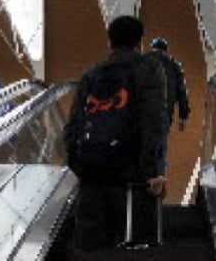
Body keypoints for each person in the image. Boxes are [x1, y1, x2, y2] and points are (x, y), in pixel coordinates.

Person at [64, 16, 166, 254]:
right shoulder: (149, 69)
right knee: (129, 241)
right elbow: (152, 121)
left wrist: (77, 162)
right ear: (140, 42)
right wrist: (152, 170)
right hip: (129, 173)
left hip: (91, 169)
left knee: (89, 243)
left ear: (110, 41)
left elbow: (73, 124)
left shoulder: (91, 74)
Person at [145, 36, 190, 172]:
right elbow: (182, 92)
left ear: (152, 48)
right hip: (163, 113)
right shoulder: (174, 65)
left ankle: (140, 180)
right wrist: (183, 116)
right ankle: (158, 180)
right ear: (166, 50)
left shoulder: (142, 61)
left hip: (143, 112)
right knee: (160, 149)